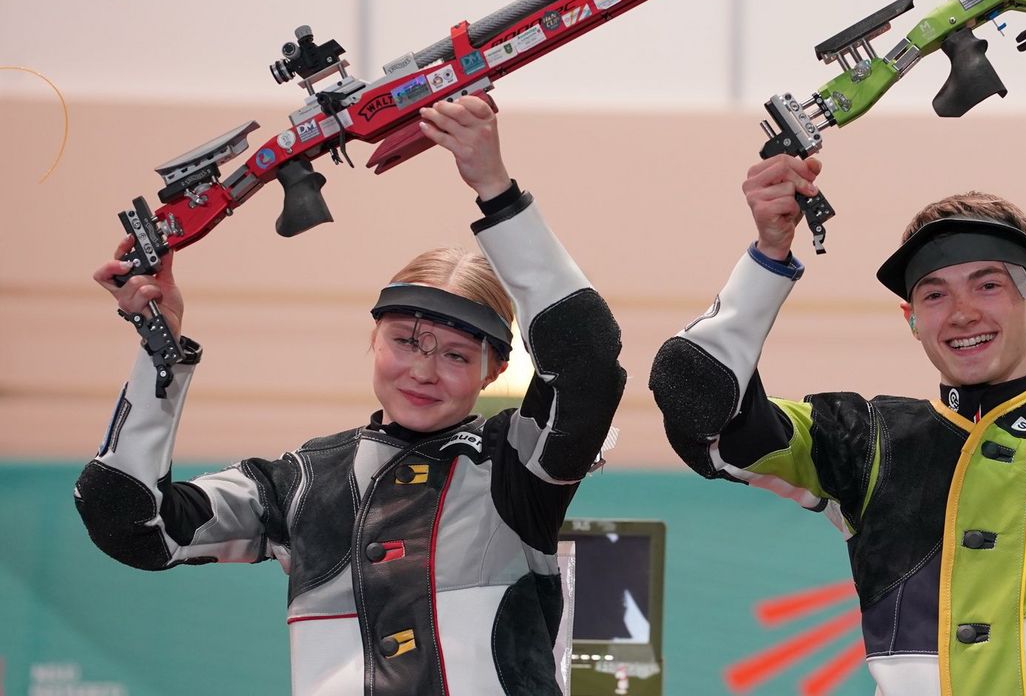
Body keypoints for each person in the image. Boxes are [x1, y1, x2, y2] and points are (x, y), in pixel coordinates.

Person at [648, 0, 1026, 693]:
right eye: (934, 294)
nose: (962, 313)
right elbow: (700, 411)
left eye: (989, 283)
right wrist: (768, 253)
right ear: (910, 319)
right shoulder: (865, 439)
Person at [77, 95, 626, 696]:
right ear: (375, 339)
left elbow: (589, 364)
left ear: (494, 371)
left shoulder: (517, 462)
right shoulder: (303, 480)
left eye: (456, 355)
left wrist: (496, 190)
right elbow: (132, 523)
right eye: (406, 341)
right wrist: (162, 350)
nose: (423, 370)